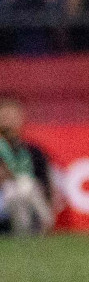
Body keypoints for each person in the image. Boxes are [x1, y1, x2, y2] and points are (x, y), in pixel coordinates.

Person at [0, 96, 61, 236]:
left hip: (24, 200)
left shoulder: (33, 151)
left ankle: (38, 225)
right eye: (4, 116)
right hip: (4, 198)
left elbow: (46, 183)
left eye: (12, 116)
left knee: (26, 186)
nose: (8, 121)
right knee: (12, 189)